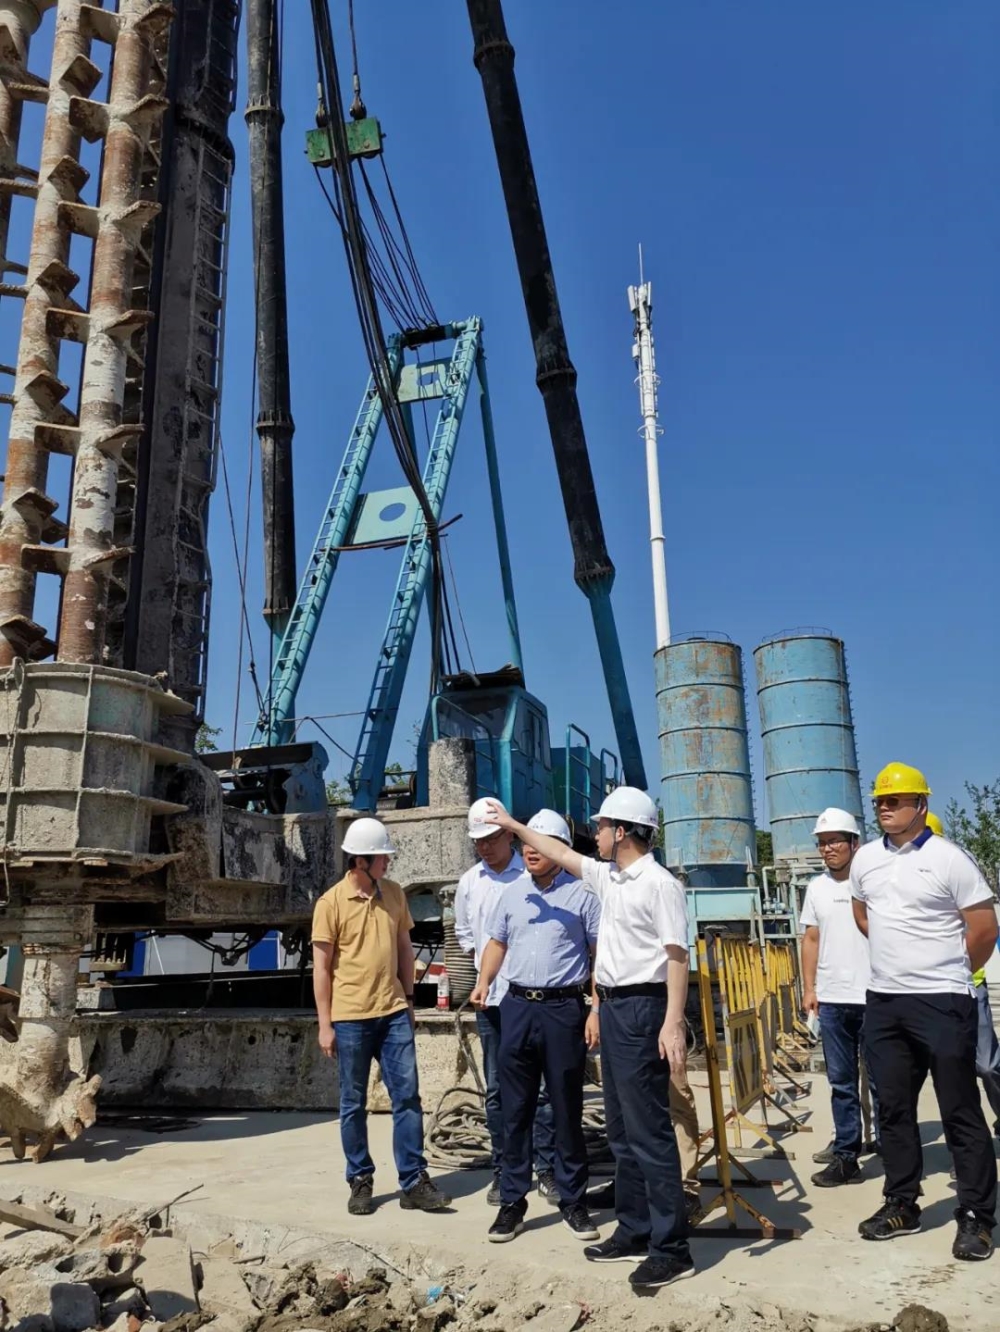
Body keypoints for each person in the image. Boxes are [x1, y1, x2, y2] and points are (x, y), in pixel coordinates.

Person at [484, 787, 694, 1292]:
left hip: (644, 1008)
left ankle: (671, 1248)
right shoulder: (609, 877)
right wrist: (513, 826)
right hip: (616, 1006)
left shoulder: (659, 885)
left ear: (621, 832)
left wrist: (672, 1021)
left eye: (600, 826)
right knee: (621, 1132)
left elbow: (677, 956)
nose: (594, 833)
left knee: (649, 1133)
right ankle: (634, 1229)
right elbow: (557, 852)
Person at [852, 762, 998, 1260]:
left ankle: (976, 1215)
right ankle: (902, 1203)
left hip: (943, 1000)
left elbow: (983, 929)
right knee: (893, 1109)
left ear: (921, 804)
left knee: (959, 1108)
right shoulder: (866, 860)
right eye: (879, 801)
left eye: (895, 800)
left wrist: (948, 971)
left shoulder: (949, 859)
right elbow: (862, 914)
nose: (885, 808)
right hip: (884, 1001)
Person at [471, 808, 601, 1244]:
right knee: (515, 1109)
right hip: (516, 1008)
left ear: (559, 848)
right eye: (526, 842)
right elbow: (497, 942)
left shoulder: (583, 895)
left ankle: (573, 1201)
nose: (530, 850)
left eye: (539, 843)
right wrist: (484, 980)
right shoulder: (512, 894)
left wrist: (596, 1010)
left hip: (564, 1010)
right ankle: (512, 1202)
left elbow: (599, 955)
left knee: (565, 1108)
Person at [311, 816, 450, 1216]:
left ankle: (413, 1181)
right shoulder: (330, 904)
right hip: (350, 1019)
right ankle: (360, 1180)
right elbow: (321, 968)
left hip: (393, 1013)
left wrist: (408, 1000)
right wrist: (325, 1024)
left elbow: (405, 949)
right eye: (382, 857)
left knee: (407, 1097)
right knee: (353, 1104)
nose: (388, 862)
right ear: (361, 861)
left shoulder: (393, 894)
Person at [454, 797, 556, 1206]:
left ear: (509, 836)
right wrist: (484, 972)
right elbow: (465, 934)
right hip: (491, 1004)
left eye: (491, 839)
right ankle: (505, 1169)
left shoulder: (530, 875)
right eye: (478, 841)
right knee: (497, 1090)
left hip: (531, 998)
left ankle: (546, 1168)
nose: (484, 847)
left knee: (543, 1089)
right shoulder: (469, 883)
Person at [800, 807, 879, 1187]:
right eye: (822, 843)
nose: (827, 848)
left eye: (834, 841)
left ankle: (893, 1151)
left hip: (876, 995)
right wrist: (809, 988)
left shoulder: (872, 883)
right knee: (842, 1083)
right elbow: (811, 939)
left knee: (883, 1082)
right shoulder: (816, 888)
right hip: (832, 1000)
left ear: (854, 843)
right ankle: (847, 1156)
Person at [927, 811, 1000, 1141]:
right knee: (952, 1073)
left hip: (971, 983)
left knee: (987, 1065)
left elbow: (984, 929)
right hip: (931, 993)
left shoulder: (959, 874)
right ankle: (966, 1146)